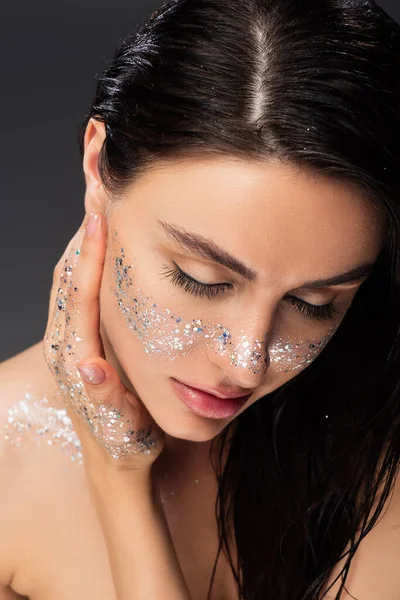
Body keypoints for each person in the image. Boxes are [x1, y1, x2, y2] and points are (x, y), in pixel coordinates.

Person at [1, 0, 400, 598]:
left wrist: (120, 485)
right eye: (201, 279)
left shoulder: (375, 439)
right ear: (97, 166)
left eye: (315, 302)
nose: (247, 362)